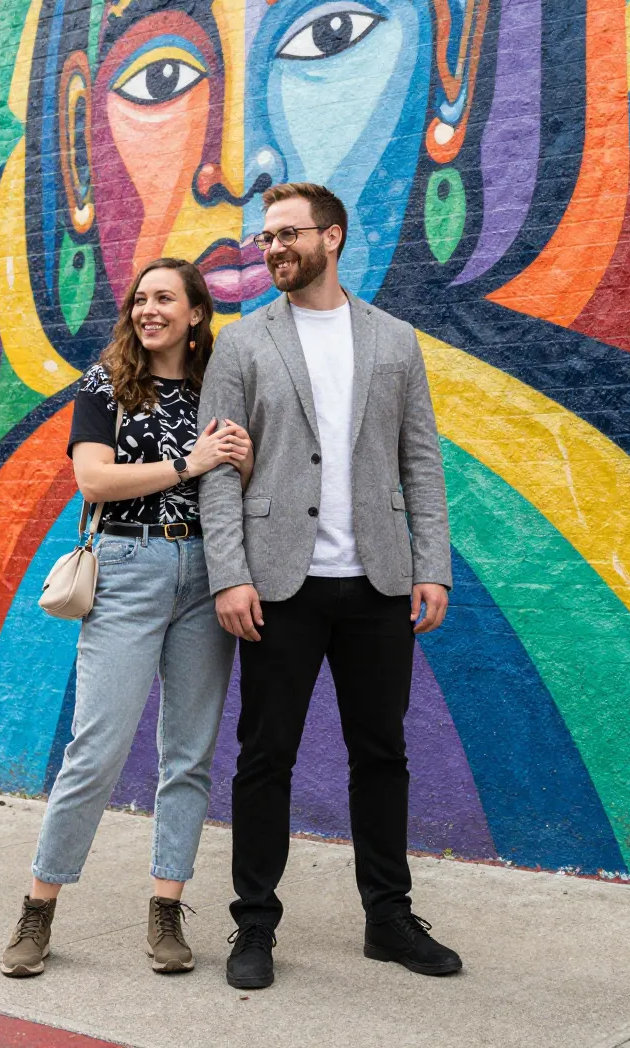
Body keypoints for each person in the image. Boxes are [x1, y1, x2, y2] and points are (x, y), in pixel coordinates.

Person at [198, 182, 459, 990]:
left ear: (333, 237)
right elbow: (216, 473)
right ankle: (254, 926)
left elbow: (420, 458)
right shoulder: (242, 346)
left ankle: (388, 917)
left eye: (286, 235)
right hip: (279, 585)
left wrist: (431, 563)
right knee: (264, 757)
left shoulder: (394, 341)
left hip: (377, 581)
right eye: (264, 238)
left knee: (381, 754)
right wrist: (230, 574)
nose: (271, 249)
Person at [2, 257, 251, 978]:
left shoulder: (217, 387)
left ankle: (166, 910)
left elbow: (241, 469)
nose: (148, 309)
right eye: (141, 299)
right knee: (97, 747)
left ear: (196, 313)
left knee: (188, 754)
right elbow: (94, 478)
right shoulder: (106, 382)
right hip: (128, 567)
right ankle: (38, 908)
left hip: (207, 574)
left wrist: (239, 454)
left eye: (165, 299)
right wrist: (190, 465)